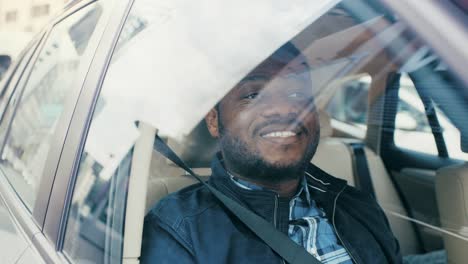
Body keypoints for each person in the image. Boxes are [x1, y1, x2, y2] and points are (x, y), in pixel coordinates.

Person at [140, 42, 402, 264]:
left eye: (298, 93)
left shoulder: (355, 204)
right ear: (213, 120)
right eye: (253, 95)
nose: (284, 109)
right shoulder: (179, 230)